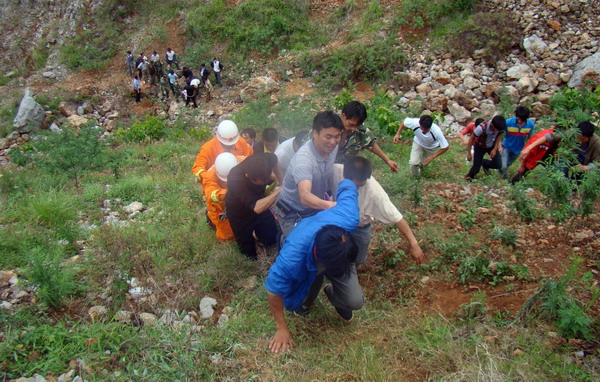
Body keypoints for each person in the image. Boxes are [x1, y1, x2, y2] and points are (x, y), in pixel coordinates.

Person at [265, 177, 362, 353]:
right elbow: (273, 289)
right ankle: (307, 297)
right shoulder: (292, 259)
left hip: (331, 252)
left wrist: (354, 175)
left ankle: (334, 294)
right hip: (303, 244)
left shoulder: (348, 217)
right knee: (296, 301)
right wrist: (281, 328)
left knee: (354, 301)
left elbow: (348, 184)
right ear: (322, 262)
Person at [332, 157, 426, 265]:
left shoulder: (375, 193)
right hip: (336, 221)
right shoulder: (334, 171)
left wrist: (414, 244)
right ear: (345, 174)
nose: (355, 189)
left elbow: (397, 218)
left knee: (357, 259)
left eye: (360, 185)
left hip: (360, 227)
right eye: (352, 184)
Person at [275, 111, 342, 237]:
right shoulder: (304, 160)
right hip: (292, 211)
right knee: (298, 246)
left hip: (313, 207)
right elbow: (305, 196)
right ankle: (283, 239)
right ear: (315, 133)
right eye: (328, 137)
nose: (333, 142)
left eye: (337, 136)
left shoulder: (331, 148)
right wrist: (332, 205)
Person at [226, 153, 280, 260]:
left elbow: (276, 160)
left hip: (258, 199)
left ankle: (257, 234)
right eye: (263, 182)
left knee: (271, 239)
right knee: (248, 255)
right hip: (239, 212)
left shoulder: (262, 160)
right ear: (249, 178)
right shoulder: (235, 179)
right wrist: (278, 192)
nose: (267, 182)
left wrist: (280, 180)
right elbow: (257, 208)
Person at [337, 101, 398, 173]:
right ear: (344, 116)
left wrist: (387, 160)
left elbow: (371, 144)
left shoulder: (360, 131)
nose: (353, 129)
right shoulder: (330, 126)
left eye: (356, 125)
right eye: (351, 124)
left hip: (344, 171)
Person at [192, 120, 254, 185]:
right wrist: (207, 177)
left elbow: (250, 157)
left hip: (238, 181)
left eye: (232, 143)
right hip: (216, 184)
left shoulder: (241, 142)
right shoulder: (207, 148)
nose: (229, 145)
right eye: (226, 144)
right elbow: (198, 167)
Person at [203, 152, 239, 241]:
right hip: (219, 207)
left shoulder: (239, 161)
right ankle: (212, 221)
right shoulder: (209, 177)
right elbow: (212, 196)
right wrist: (228, 192)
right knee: (227, 236)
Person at [465, 116, 507, 181]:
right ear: (492, 125)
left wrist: (495, 149)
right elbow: (471, 139)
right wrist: (469, 153)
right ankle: (469, 177)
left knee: (498, 164)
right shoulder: (481, 128)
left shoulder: (499, 128)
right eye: (495, 129)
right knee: (476, 168)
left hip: (491, 145)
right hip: (480, 146)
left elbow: (498, 136)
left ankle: (484, 163)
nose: (496, 131)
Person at [500, 106, 535, 179]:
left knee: (507, 165)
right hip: (506, 147)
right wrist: (499, 145)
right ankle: (505, 181)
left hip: (518, 150)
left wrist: (527, 149)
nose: (519, 121)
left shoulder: (530, 124)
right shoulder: (508, 122)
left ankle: (499, 172)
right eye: (518, 119)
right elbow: (500, 134)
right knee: (503, 166)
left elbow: (529, 137)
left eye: (522, 120)